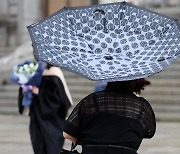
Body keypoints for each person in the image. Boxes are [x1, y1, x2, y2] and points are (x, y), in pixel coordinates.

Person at [63, 78, 156, 154]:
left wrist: (91, 143)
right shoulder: (142, 107)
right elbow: (149, 132)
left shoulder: (91, 100)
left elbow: (67, 133)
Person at [18, 63, 73, 154]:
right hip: (36, 117)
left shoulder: (55, 72)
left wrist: (39, 92)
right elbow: (25, 94)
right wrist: (25, 89)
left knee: (52, 147)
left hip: (53, 121)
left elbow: (60, 98)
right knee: (38, 146)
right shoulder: (32, 70)